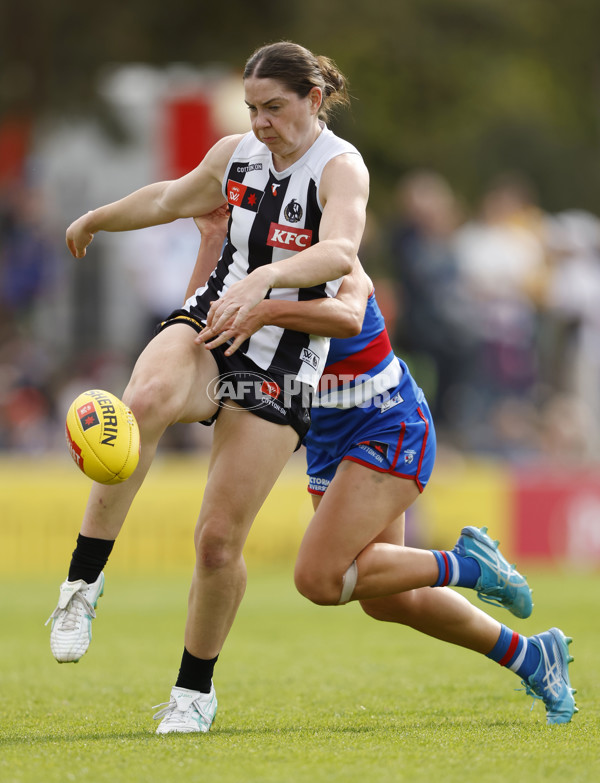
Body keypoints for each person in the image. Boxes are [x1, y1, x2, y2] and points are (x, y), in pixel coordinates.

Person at [46, 41, 370, 734]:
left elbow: (341, 251)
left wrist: (267, 278)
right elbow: (169, 196)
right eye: (252, 109)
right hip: (213, 319)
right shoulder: (237, 155)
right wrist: (98, 216)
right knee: (142, 403)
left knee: (218, 542)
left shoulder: (340, 168)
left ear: (313, 99)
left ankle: (194, 691)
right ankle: (82, 582)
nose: (260, 123)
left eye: (274, 109)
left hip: (282, 358)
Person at [192, 209, 577, 727]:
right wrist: (191, 237)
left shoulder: (338, 266)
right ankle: (531, 657)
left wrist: (262, 313)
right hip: (331, 439)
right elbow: (198, 318)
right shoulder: (251, 276)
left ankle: (468, 565)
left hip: (386, 423)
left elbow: (347, 318)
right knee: (387, 600)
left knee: (318, 579)